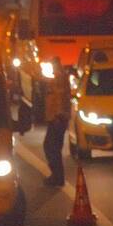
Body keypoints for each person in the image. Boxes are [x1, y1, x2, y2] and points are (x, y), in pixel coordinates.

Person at [42, 57, 71, 187]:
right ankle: (57, 176)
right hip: (56, 117)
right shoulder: (58, 77)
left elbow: (59, 97)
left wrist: (58, 116)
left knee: (51, 147)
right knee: (53, 147)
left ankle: (57, 177)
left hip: (57, 119)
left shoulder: (59, 78)